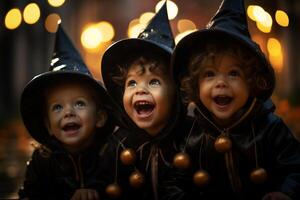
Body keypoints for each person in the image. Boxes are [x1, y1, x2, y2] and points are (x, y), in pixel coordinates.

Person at [163, 0, 300, 199]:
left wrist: (284, 192)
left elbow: (295, 167)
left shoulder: (270, 128)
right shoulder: (190, 132)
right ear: (196, 85)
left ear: (252, 82)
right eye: (210, 74)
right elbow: (174, 180)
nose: (221, 83)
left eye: (233, 73)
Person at [100, 1, 193, 200]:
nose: (140, 90)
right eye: (132, 83)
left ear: (177, 92)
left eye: (154, 82)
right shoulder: (119, 144)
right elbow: (103, 181)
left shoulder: (193, 137)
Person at [18, 24, 114, 200]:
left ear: (100, 117)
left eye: (79, 103)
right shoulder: (43, 160)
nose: (68, 112)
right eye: (57, 107)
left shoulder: (111, 153)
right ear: (48, 125)